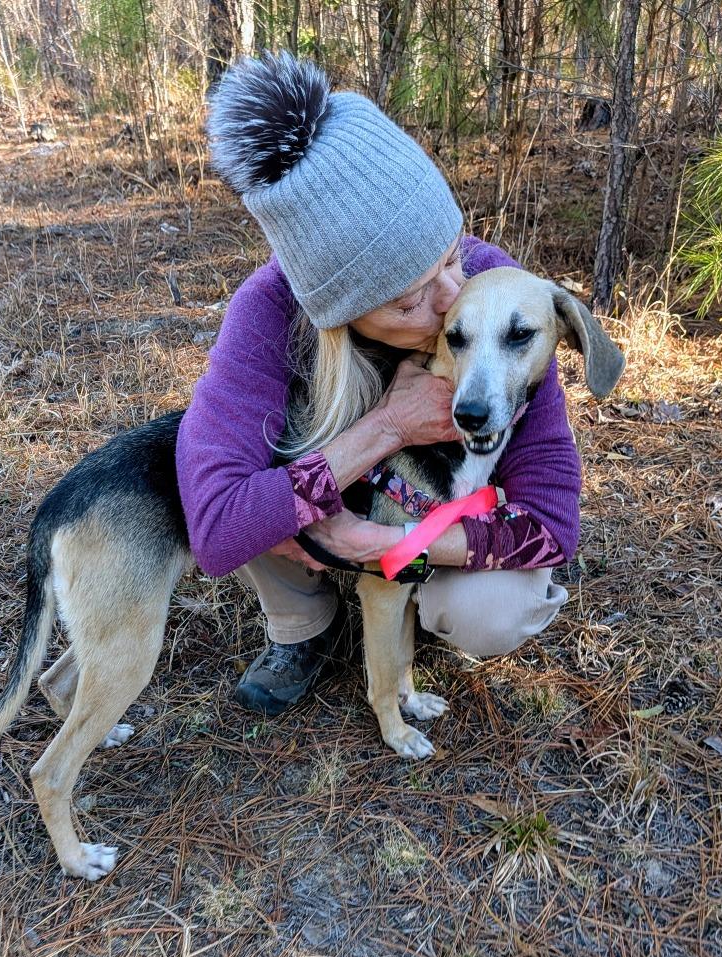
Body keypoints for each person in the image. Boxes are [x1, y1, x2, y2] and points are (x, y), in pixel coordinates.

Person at [176, 53, 580, 717]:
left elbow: (554, 523)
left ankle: (411, 607)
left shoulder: (494, 295)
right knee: (240, 470)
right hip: (328, 510)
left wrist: (401, 548)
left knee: (492, 611)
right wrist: (386, 428)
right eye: (410, 298)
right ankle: (302, 626)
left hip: (425, 518)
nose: (452, 298)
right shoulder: (266, 314)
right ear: (341, 310)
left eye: (450, 254)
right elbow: (219, 530)